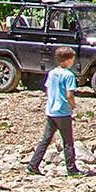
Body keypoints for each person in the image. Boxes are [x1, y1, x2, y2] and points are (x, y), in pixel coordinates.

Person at [27, 46, 91, 177]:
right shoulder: (69, 75)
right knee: (68, 141)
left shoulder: (52, 73)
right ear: (67, 60)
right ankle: (72, 169)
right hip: (63, 112)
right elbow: (69, 95)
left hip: (51, 111)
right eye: (72, 59)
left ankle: (33, 165)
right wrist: (73, 106)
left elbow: (47, 89)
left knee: (46, 139)